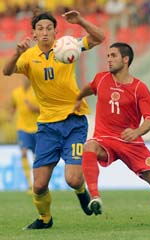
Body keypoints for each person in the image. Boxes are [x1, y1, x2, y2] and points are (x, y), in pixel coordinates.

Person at [3, 9, 105, 229]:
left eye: (49, 28)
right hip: (47, 125)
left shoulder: (67, 45)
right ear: (34, 33)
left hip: (73, 121)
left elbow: (100, 38)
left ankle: (81, 191)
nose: (45, 32)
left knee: (73, 179)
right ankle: (45, 219)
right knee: (39, 186)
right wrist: (16, 53)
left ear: (55, 31)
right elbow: (7, 71)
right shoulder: (29, 57)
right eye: (40, 29)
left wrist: (81, 21)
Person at [74, 42, 150, 215]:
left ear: (125, 59)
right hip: (105, 140)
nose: (108, 59)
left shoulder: (139, 88)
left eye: (113, 56)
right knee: (89, 146)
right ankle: (95, 197)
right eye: (107, 56)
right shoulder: (101, 79)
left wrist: (137, 132)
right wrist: (78, 98)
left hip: (131, 142)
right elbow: (88, 88)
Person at [9, 75, 40, 193]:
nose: (25, 80)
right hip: (22, 128)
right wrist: (11, 115)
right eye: (24, 78)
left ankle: (38, 183)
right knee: (23, 153)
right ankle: (29, 184)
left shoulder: (37, 92)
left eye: (27, 78)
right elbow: (13, 106)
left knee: (37, 157)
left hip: (37, 128)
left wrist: (34, 108)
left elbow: (44, 109)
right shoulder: (16, 93)